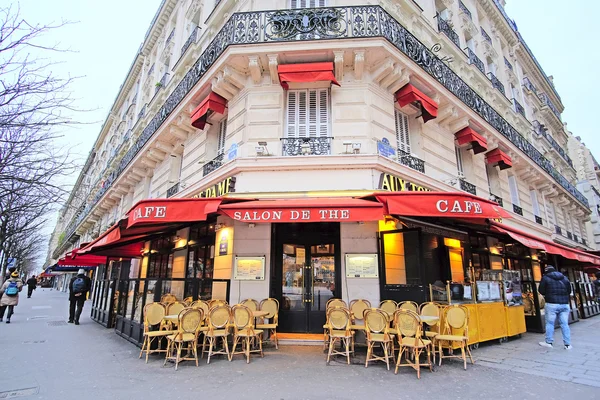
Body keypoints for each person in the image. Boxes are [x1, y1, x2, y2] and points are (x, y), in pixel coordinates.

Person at [538, 265, 572, 350]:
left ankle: (548, 342)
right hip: (564, 304)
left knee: (550, 323)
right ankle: (567, 344)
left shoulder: (545, 278)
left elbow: (541, 290)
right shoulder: (564, 278)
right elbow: (569, 290)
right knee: (564, 324)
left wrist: (548, 294)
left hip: (551, 303)